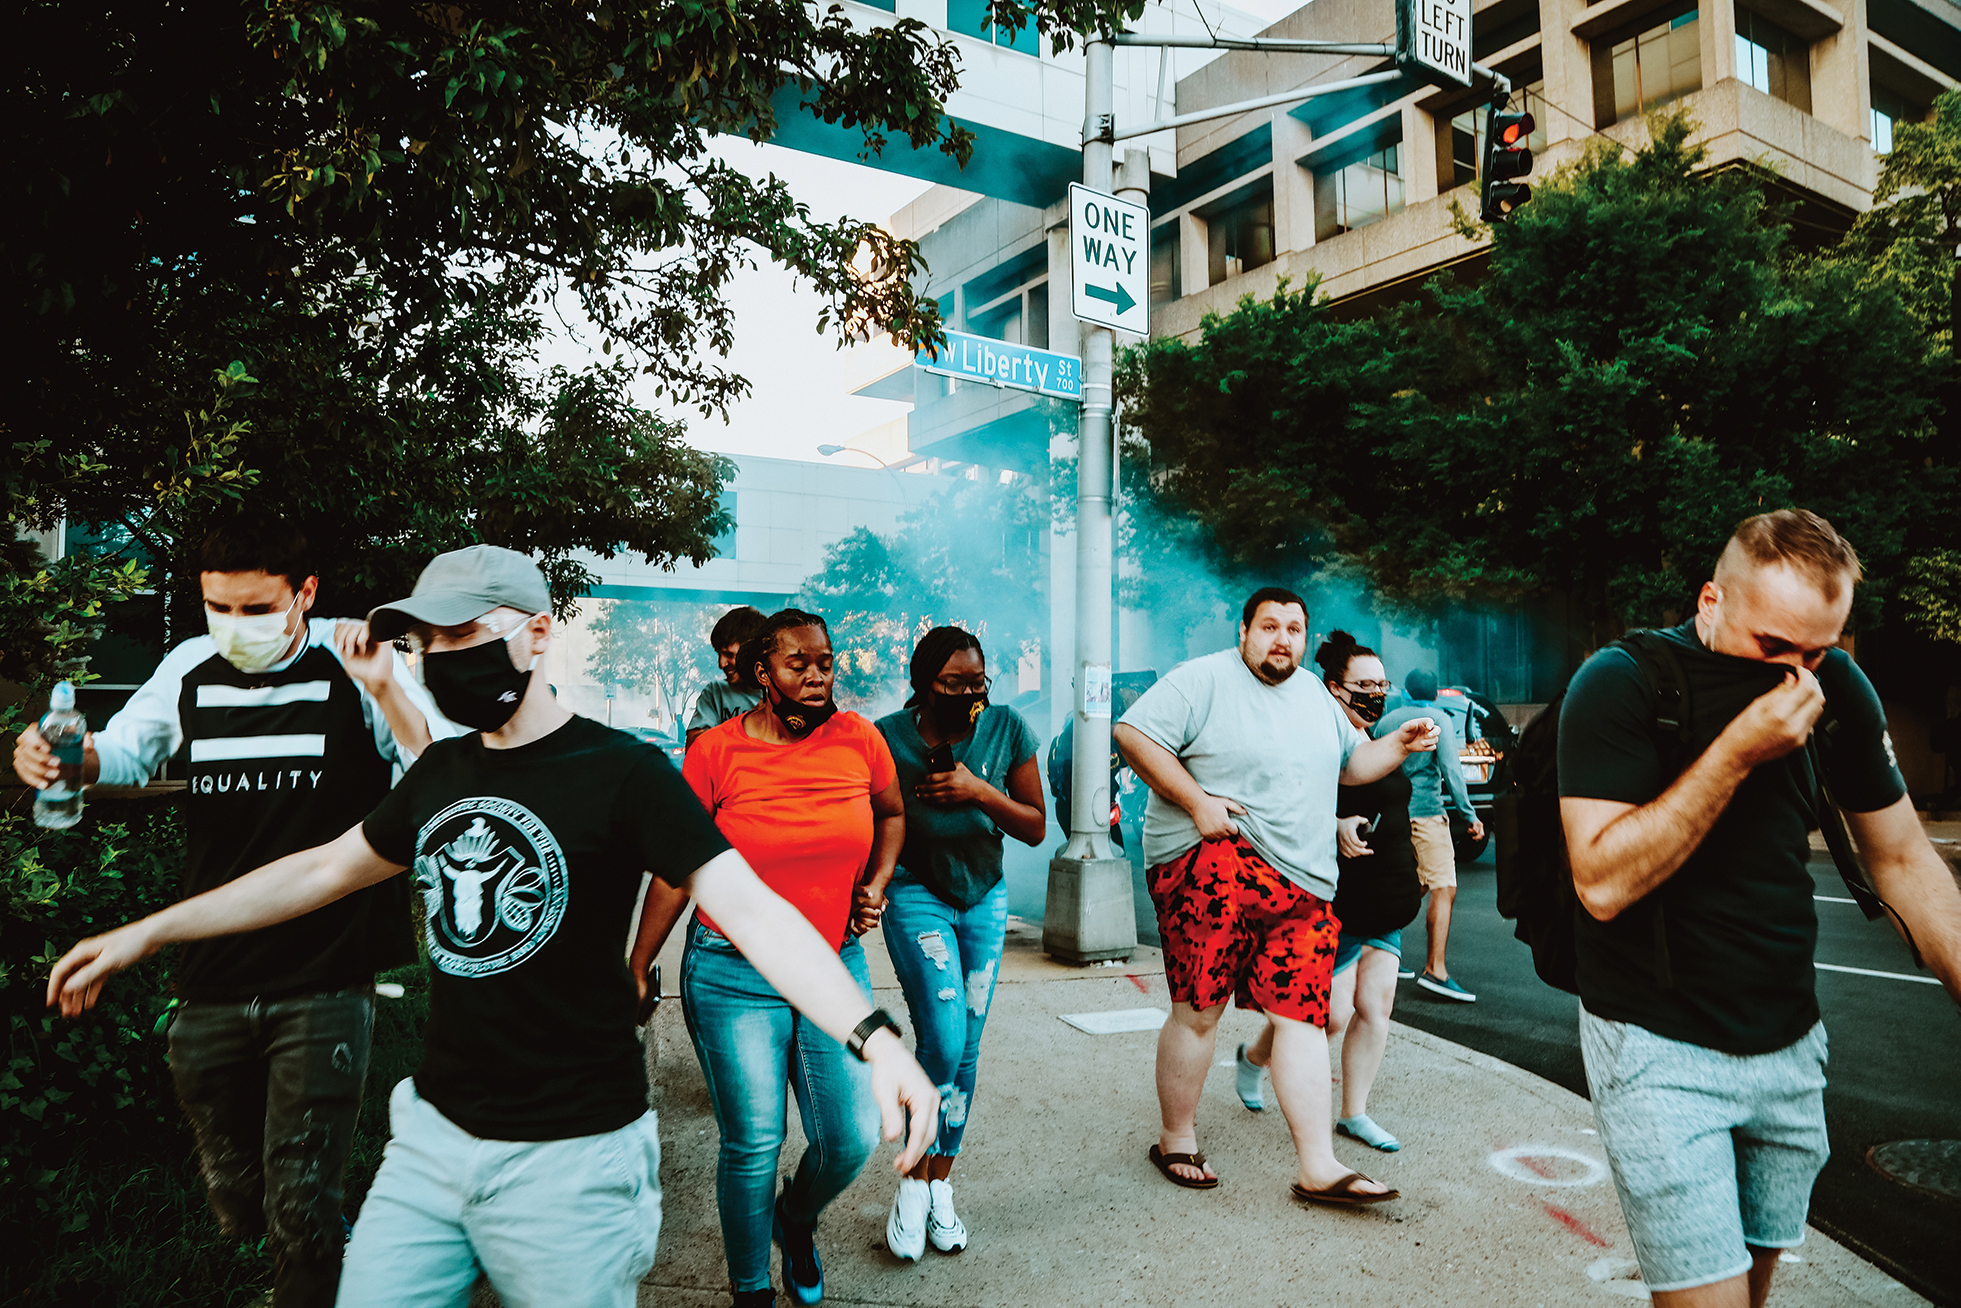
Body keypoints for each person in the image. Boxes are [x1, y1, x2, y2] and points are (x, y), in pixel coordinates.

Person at [45, 549, 939, 1308]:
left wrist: (874, 1040)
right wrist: (148, 932)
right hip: (430, 1146)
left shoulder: (622, 771)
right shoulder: (440, 772)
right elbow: (319, 870)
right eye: (428, 641)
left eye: (465, 635)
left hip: (575, 1162)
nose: (443, 656)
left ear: (538, 633)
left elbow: (752, 911)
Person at [14, 514, 444, 1308]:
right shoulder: (189, 666)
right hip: (212, 964)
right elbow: (127, 752)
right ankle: (318, 1230)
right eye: (220, 608)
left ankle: (319, 1253)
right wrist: (60, 755)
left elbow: (437, 771)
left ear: (304, 594)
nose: (234, 627)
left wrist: (386, 686)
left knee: (299, 1204)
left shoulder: (359, 665)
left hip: (327, 967)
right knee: (234, 1191)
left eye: (256, 609)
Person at [1559, 510, 1961, 1308]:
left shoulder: (1835, 688)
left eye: (1816, 650)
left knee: (1751, 1292)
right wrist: (1738, 751)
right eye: (1771, 647)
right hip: (1655, 1047)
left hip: (1788, 1047)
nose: (1795, 675)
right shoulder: (1621, 682)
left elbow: (1902, 857)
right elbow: (1600, 881)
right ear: (1711, 600)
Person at [1112, 587, 1439, 1206]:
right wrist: (1198, 802)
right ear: (1244, 632)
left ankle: (1319, 1166)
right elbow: (1133, 735)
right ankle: (1176, 1137)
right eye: (1269, 626)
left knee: (1304, 1020)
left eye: (1294, 628)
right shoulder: (1202, 679)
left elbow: (1351, 765)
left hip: (1304, 882)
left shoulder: (1317, 694)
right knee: (1200, 1009)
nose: (1282, 638)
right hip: (1212, 859)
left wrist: (1399, 745)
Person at [637, 608, 907, 1307]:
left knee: (849, 1138)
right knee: (754, 1142)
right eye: (798, 663)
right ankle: (750, 1287)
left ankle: (796, 1215)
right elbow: (674, 865)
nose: (817, 675)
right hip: (732, 972)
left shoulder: (860, 739)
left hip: (830, 964)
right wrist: (636, 964)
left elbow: (892, 813)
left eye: (824, 661)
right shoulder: (715, 752)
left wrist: (874, 883)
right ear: (762, 673)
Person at [864, 627, 1046, 1260]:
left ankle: (940, 1182)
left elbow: (1034, 826)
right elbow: (868, 817)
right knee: (941, 1034)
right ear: (923, 683)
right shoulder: (886, 736)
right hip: (916, 893)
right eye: (954, 684)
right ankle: (913, 1181)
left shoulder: (1007, 728)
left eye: (978, 683)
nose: (970, 694)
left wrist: (979, 791)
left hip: (984, 895)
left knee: (966, 1042)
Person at [1237, 632, 1423, 1155]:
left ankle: (1354, 1113)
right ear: (1333, 687)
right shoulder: (1313, 739)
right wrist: (1334, 821)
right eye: (1364, 684)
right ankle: (1254, 1058)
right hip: (1330, 897)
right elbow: (1274, 807)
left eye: (1381, 684)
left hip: (1384, 896)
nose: (1376, 694)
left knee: (1375, 1007)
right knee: (1329, 1014)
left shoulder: (1382, 740)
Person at [1376, 668, 1484, 1001]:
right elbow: (1452, 769)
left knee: (1412, 884)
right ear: (1435, 693)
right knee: (1443, 886)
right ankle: (1435, 971)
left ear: (1407, 692)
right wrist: (1469, 815)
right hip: (1425, 813)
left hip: (1391, 815)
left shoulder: (1386, 721)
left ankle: (1380, 952)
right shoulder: (1437, 718)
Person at [686, 605, 767, 747]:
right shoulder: (715, 692)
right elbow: (694, 745)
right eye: (719, 654)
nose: (721, 664)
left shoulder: (780, 693)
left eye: (729, 655)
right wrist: (748, 723)